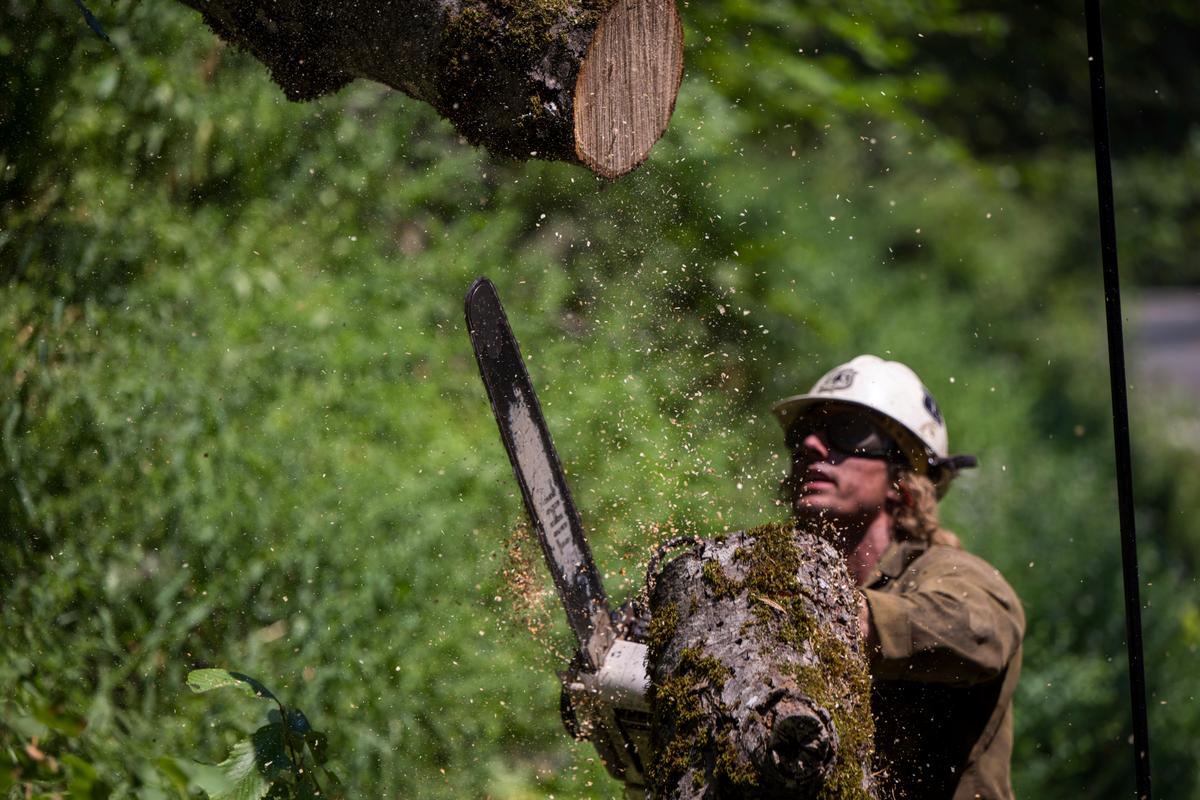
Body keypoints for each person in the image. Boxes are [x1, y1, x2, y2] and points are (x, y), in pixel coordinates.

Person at [772, 354, 1025, 800]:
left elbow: (983, 632)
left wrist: (852, 620)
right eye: (802, 433)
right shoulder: (780, 578)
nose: (812, 444)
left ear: (901, 477)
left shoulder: (949, 571)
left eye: (846, 431)